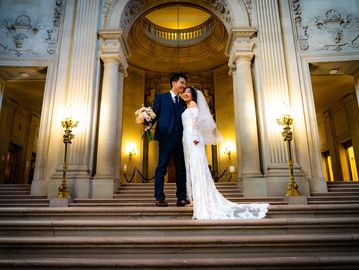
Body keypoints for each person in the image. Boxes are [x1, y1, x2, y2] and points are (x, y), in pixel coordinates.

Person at [181, 86, 269, 219]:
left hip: (193, 137)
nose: (186, 93)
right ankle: (196, 200)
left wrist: (194, 136)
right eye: (185, 91)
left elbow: (196, 121)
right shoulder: (186, 106)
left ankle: (201, 202)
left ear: (193, 95)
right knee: (192, 168)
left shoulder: (193, 104)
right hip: (187, 137)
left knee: (197, 167)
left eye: (189, 92)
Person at [152, 72, 189, 207]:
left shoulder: (183, 101)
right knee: (161, 168)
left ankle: (181, 198)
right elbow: (154, 114)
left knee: (181, 169)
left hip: (180, 139)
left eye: (184, 84)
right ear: (174, 83)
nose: (184, 86)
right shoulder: (161, 97)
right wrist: (146, 122)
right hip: (165, 138)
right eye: (182, 83)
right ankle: (159, 198)